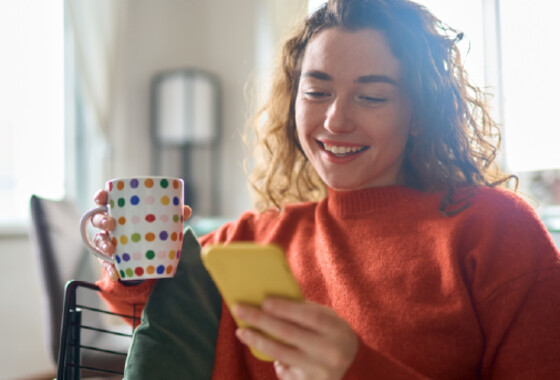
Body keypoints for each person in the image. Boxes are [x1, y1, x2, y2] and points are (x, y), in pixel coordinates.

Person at [89, 0, 560, 378]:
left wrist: (353, 368)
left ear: (419, 114)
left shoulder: (497, 230)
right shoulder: (257, 238)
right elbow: (146, 308)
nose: (336, 120)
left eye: (372, 96)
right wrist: (126, 258)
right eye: (316, 92)